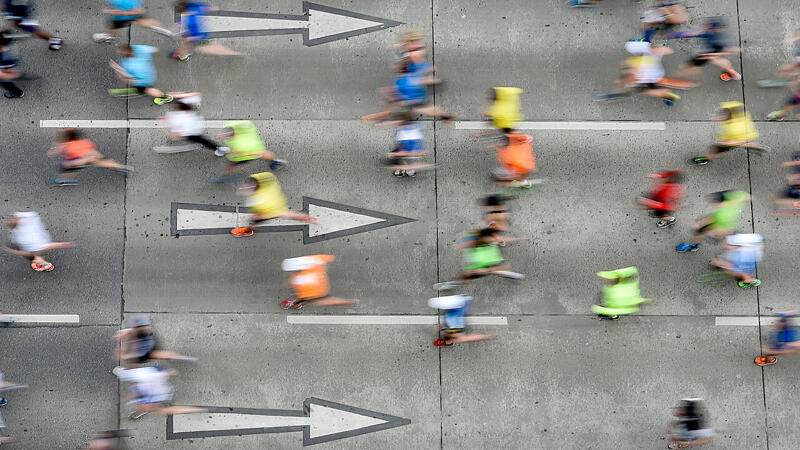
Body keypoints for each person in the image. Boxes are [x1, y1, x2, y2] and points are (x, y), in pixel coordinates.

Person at [230, 172, 317, 237]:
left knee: (254, 220)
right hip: (270, 205)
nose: (247, 188)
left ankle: (248, 230)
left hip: (268, 211)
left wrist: (257, 217)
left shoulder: (262, 202)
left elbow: (279, 214)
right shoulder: (261, 179)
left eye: (250, 188)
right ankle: (307, 218)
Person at [435, 227, 524, 290]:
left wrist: (512, 240)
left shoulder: (489, 238)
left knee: (468, 274)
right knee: (467, 275)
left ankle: (451, 284)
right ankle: (452, 284)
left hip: (486, 262)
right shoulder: (478, 239)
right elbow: (468, 244)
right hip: (479, 261)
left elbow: (501, 239)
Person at [666, 16, 741, 82]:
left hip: (708, 53)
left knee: (688, 66)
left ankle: (678, 76)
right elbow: (693, 33)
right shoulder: (717, 34)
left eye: (708, 26)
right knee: (719, 61)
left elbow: (693, 33)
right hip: (714, 51)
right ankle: (732, 73)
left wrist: (675, 35)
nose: (706, 26)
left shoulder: (712, 36)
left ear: (713, 28)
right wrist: (675, 35)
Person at [47, 128, 132, 185]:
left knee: (67, 170)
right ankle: (120, 167)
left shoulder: (69, 146)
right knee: (104, 162)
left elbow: (75, 159)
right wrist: (100, 157)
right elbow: (92, 151)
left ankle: (64, 180)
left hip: (79, 161)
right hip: (91, 157)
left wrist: (68, 163)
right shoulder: (84, 142)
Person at [117, 366, 206, 419]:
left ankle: (141, 410)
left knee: (145, 405)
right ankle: (141, 410)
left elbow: (166, 410)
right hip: (156, 391)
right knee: (144, 403)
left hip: (154, 394)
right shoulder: (148, 376)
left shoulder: (146, 377)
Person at [113, 315, 196, 373]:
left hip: (144, 351)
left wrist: (123, 355)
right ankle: (179, 357)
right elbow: (136, 329)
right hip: (149, 344)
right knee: (159, 354)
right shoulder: (141, 330)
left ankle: (128, 371)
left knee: (136, 361)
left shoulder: (139, 340)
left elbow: (135, 355)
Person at [156, 92, 229, 156]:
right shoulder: (185, 102)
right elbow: (197, 94)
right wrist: (182, 95)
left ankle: (219, 149)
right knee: (203, 140)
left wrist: (168, 126)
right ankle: (219, 149)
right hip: (197, 125)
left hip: (192, 132)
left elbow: (178, 134)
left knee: (203, 141)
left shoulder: (176, 117)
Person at [676, 190, 750, 252]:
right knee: (723, 239)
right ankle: (733, 246)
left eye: (715, 203)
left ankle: (694, 246)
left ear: (721, 203)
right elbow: (747, 197)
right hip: (726, 225)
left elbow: (710, 222)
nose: (714, 205)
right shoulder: (736, 198)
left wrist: (699, 224)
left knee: (701, 231)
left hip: (721, 226)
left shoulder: (722, 214)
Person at [688, 102, 761, 166]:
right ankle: (751, 144)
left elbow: (736, 141)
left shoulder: (734, 129)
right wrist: (718, 118)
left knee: (714, 149)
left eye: (725, 113)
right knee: (747, 140)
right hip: (744, 135)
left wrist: (722, 142)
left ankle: (705, 159)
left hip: (735, 140)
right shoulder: (738, 112)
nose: (723, 114)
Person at [213, 120, 285, 182]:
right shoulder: (238, 126)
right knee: (263, 153)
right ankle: (277, 161)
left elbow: (238, 154)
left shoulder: (239, 144)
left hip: (251, 151)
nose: (225, 135)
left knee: (233, 163)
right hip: (254, 145)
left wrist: (231, 154)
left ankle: (228, 171)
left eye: (227, 135)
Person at [279, 255, 359, 309]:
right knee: (328, 300)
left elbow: (302, 292)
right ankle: (349, 302)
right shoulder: (311, 261)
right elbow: (324, 258)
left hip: (316, 292)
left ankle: (296, 304)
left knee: (305, 300)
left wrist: (289, 284)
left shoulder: (298, 279)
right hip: (321, 282)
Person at [2, 212, 72, 272]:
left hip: (36, 246)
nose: (8, 222)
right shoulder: (24, 217)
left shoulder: (23, 238)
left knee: (33, 257)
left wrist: (11, 251)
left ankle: (47, 265)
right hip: (41, 239)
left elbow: (30, 251)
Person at [171, 1, 239, 61]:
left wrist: (188, 37)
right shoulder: (194, 10)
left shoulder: (187, 20)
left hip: (198, 36)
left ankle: (183, 55)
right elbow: (205, 8)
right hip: (203, 31)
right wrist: (212, 8)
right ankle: (230, 52)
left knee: (204, 48)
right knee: (198, 46)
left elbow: (186, 30)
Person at [109, 44, 173, 105]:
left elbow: (126, 78)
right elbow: (155, 49)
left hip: (144, 82)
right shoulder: (139, 48)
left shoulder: (126, 64)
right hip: (150, 73)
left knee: (147, 90)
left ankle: (164, 97)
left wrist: (117, 68)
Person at [92, 0, 173, 44]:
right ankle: (165, 31)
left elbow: (133, 11)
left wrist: (112, 11)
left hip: (122, 16)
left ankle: (109, 37)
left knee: (115, 25)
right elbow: (139, 9)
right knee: (144, 21)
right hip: (134, 11)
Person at [428, 295, 493, 347]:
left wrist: (484, 337)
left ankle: (449, 342)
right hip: (456, 313)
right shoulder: (453, 327)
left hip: (455, 316)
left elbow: (468, 338)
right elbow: (468, 338)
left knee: (447, 332)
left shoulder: (455, 331)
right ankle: (448, 341)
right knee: (447, 331)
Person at [384, 113, 431, 177]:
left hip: (411, 152)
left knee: (396, 156)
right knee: (397, 153)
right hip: (416, 150)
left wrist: (396, 154)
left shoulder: (402, 134)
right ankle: (408, 170)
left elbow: (409, 151)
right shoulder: (416, 127)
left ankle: (408, 171)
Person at [0, 30, 23, 99]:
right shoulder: (9, 45)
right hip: (10, 66)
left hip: (9, 70)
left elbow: (12, 73)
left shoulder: (7, 58)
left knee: (5, 83)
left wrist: (3, 74)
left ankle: (18, 93)